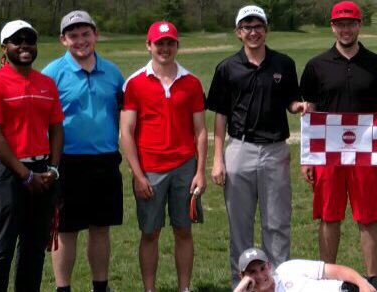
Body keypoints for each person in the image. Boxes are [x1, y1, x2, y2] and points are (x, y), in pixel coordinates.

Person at [206, 5, 303, 287]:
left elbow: (291, 100)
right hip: (239, 148)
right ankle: (243, 285)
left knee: (277, 223)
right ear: (239, 32)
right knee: (240, 225)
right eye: (247, 27)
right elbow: (221, 115)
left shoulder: (283, 64)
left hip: (275, 150)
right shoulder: (227, 68)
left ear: (266, 29)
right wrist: (217, 159)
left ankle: (278, 283)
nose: (253, 32)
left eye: (258, 26)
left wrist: (298, 107)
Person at [299, 0, 377, 278]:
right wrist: (307, 158)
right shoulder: (316, 65)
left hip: (364, 152)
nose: (346, 29)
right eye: (340, 24)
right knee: (329, 216)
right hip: (327, 154)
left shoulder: (376, 64)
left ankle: (372, 280)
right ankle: (327, 279)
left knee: (368, 217)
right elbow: (310, 112)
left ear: (359, 25)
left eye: (351, 23)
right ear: (332, 27)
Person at [0, 19, 64, 292]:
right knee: (2, 246)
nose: (25, 45)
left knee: (34, 247)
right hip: (7, 172)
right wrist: (25, 175)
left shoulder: (46, 83)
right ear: (5, 48)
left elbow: (57, 128)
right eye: (17, 41)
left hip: (42, 171)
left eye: (30, 40)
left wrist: (54, 168)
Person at [120, 21, 207, 292]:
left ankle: (184, 288)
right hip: (150, 170)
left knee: (183, 230)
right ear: (149, 46)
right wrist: (137, 174)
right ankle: (150, 289)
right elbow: (126, 131)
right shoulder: (134, 84)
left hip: (184, 167)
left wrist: (200, 171)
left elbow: (201, 131)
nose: (165, 48)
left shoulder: (191, 82)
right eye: (159, 43)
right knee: (150, 232)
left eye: (170, 43)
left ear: (177, 45)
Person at [42, 10, 125, 292]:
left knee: (101, 229)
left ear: (96, 34)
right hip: (67, 162)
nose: (80, 41)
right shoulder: (52, 74)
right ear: (63, 40)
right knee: (65, 231)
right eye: (73, 35)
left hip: (105, 160)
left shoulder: (113, 73)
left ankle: (100, 287)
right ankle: (63, 288)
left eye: (85, 34)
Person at [233, 247, 377, 292]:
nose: (261, 275)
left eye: (262, 268)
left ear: (269, 266)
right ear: (243, 278)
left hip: (350, 288)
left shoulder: (288, 269)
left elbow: (336, 271)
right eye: (252, 273)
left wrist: (363, 283)